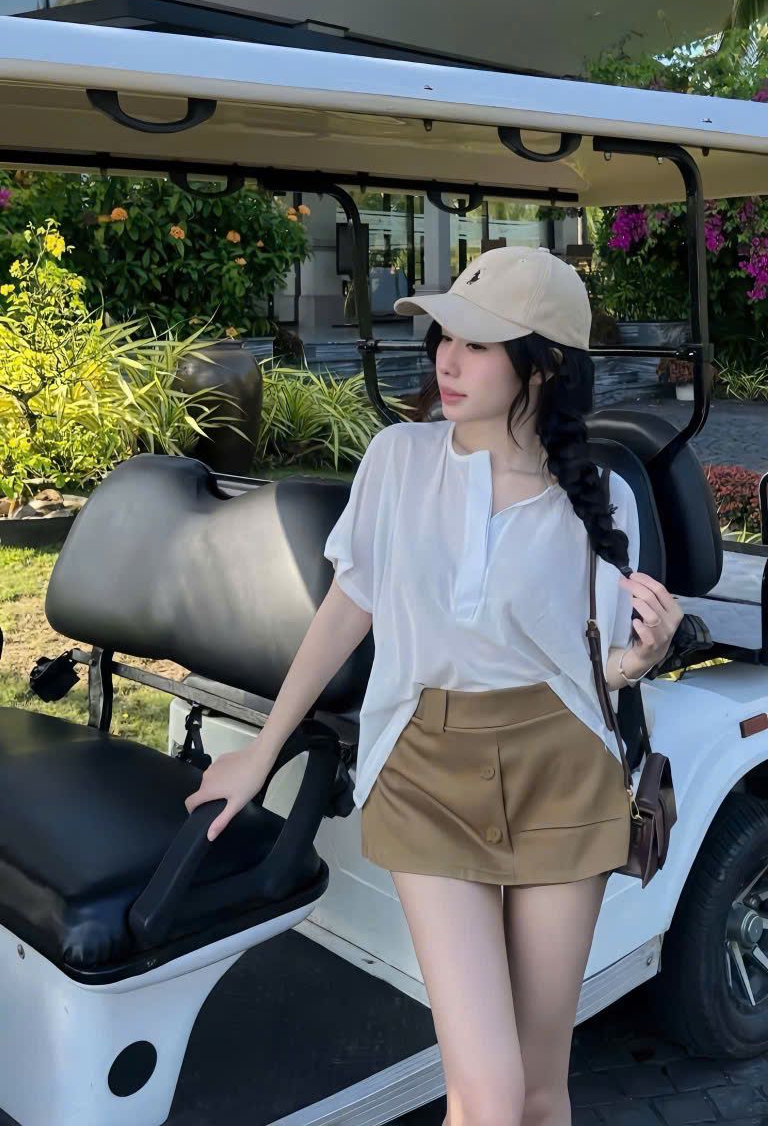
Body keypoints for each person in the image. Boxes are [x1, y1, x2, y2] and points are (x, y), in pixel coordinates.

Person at [185, 246, 683, 1126]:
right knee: (487, 1097)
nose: (447, 360)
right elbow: (348, 609)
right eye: (444, 336)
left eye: (477, 344)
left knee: (540, 1088)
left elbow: (592, 668)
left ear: (544, 365)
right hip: (424, 769)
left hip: (562, 771)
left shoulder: (598, 496)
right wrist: (261, 753)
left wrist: (638, 664)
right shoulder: (398, 459)